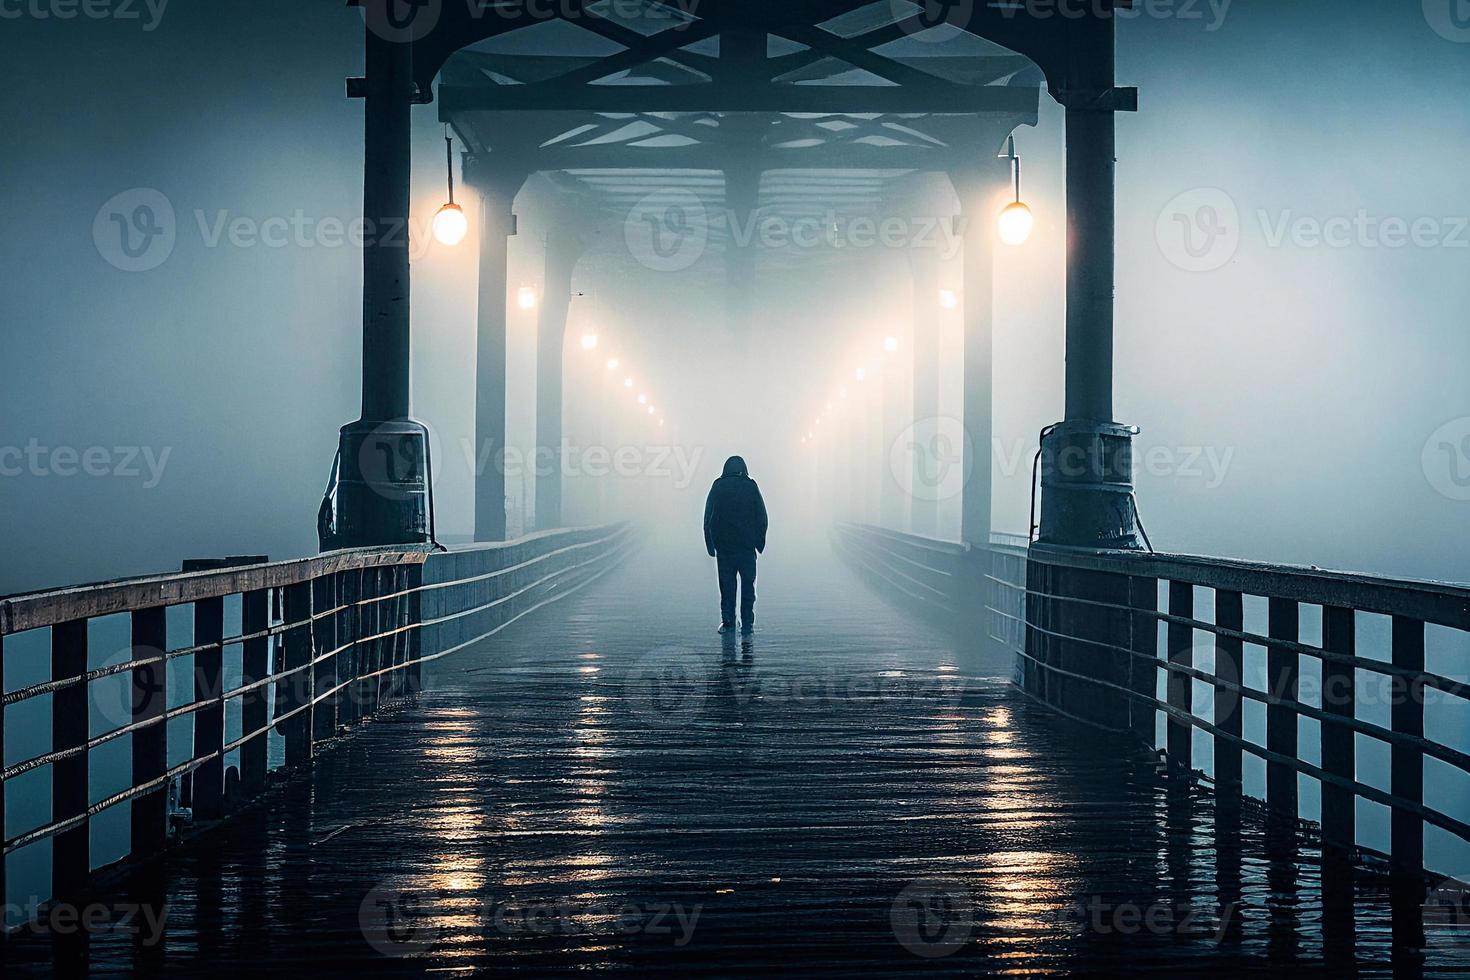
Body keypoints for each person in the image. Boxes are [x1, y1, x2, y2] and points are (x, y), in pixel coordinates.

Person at [703, 455, 768, 634]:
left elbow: (708, 518)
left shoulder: (718, 486)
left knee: (727, 586)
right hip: (746, 548)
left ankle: (728, 621)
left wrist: (711, 544)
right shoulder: (750, 486)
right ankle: (747, 622)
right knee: (748, 586)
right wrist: (759, 542)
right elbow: (761, 517)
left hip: (724, 548)